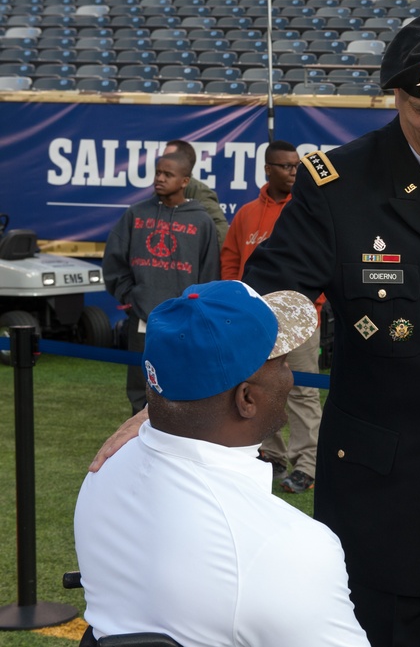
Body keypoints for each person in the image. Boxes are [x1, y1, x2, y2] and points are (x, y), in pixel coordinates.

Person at [91, 8, 420, 647]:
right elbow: (263, 295)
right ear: (396, 100)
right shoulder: (341, 183)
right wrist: (177, 397)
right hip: (393, 507)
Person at [75, 280, 370, 647]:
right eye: (280, 362)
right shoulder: (289, 548)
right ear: (247, 399)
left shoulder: (106, 470)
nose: (290, 378)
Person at [221, 140, 324, 494]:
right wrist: (235, 302)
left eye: (296, 165)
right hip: (254, 319)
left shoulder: (309, 210)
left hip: (300, 320)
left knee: (304, 392)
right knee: (259, 388)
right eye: (285, 166)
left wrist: (314, 305)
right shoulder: (248, 212)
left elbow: (324, 263)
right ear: (268, 169)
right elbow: (231, 260)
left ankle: (308, 463)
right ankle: (272, 454)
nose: (293, 171)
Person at [102, 152, 220, 414]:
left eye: (168, 174)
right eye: (158, 173)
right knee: (140, 388)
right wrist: (132, 298)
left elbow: (210, 275)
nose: (160, 179)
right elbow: (113, 265)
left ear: (184, 181)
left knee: (182, 388)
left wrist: (197, 314)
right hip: (143, 318)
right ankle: (139, 445)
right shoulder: (136, 214)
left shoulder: (201, 221)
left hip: (185, 321)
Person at [163, 139, 230, 246]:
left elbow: (221, 233)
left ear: (184, 163)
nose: (163, 161)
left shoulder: (199, 192)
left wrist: (190, 252)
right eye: (163, 157)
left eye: (169, 157)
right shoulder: (160, 191)